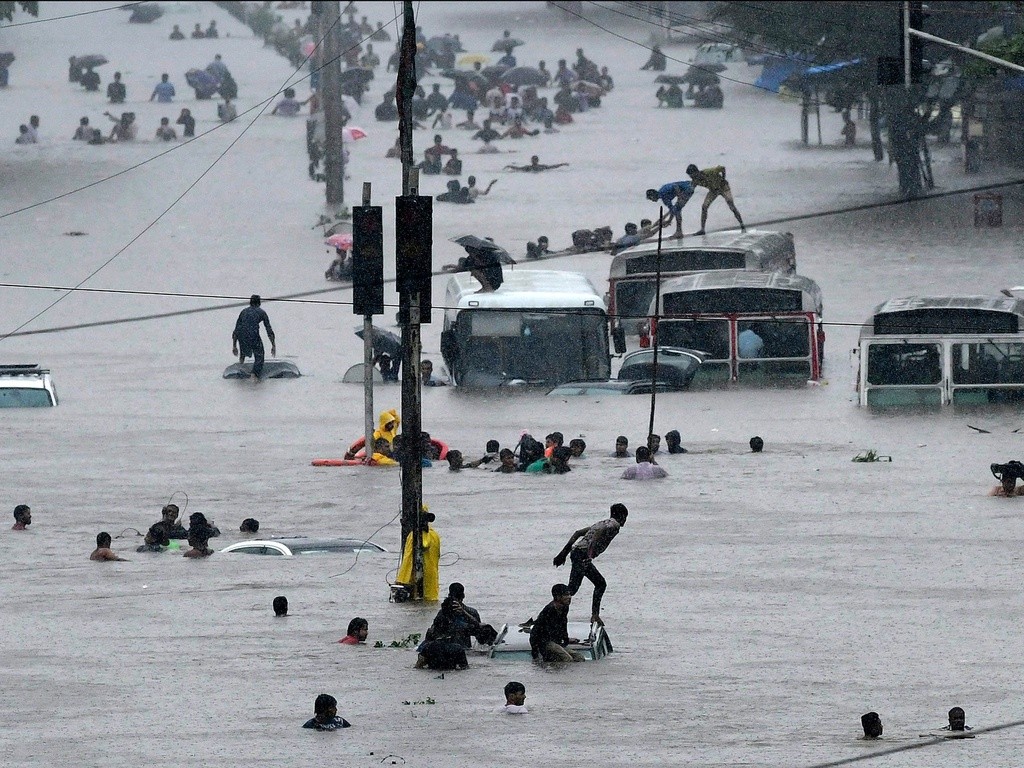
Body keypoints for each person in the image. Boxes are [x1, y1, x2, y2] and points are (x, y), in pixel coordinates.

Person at [553, 503, 628, 626]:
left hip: (578, 554)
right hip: (581, 556)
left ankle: (594, 615)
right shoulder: (614, 525)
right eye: (626, 517)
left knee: (594, 585)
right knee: (573, 590)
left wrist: (564, 553)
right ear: (622, 516)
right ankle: (548, 615)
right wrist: (589, 555)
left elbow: (577, 533)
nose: (626, 520)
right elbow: (597, 535)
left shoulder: (600, 523)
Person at [529, 584, 583, 662]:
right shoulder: (549, 609)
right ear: (558, 597)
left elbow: (563, 624)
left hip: (555, 641)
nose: (569, 597)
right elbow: (537, 630)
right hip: (544, 642)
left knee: (579, 657)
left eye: (569, 594)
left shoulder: (565, 607)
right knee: (567, 658)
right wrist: (535, 651)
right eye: (566, 595)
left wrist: (566, 639)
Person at [686, 163, 745, 234]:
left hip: (723, 187)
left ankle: (742, 224)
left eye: (692, 175)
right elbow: (691, 190)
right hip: (713, 191)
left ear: (696, 172)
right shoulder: (695, 181)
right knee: (704, 207)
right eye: (690, 176)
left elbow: (722, 168)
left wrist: (723, 178)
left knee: (730, 203)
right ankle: (702, 229)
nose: (691, 178)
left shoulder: (709, 171)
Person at [396, 510, 441, 601]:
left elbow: (423, 545)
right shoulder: (434, 534)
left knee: (423, 597)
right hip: (430, 571)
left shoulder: (421, 535)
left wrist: (403, 578)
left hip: (422, 572)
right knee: (428, 598)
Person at [232, 294, 276, 379]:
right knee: (260, 356)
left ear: (250, 303)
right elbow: (268, 329)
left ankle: (241, 366)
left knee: (243, 352)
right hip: (253, 334)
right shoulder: (262, 312)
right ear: (259, 303)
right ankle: (254, 376)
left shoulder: (243, 312)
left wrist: (234, 346)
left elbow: (236, 329)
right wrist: (273, 345)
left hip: (242, 335)